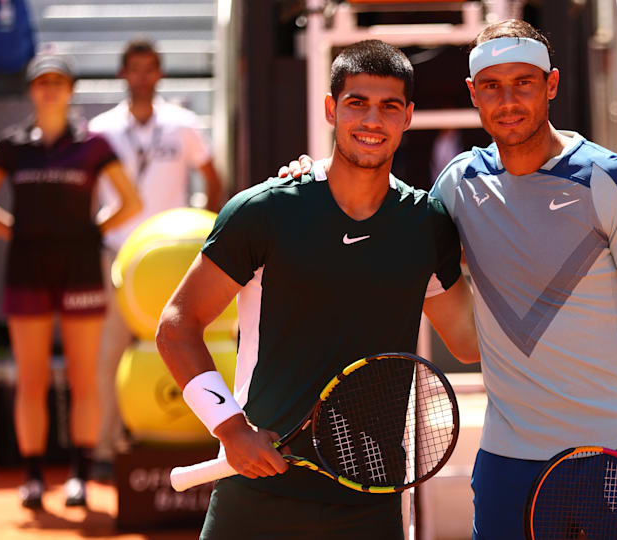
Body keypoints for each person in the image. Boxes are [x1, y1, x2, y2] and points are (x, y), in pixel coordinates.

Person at [282, 19, 617, 540]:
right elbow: (387, 213)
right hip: (509, 464)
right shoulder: (459, 185)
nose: (507, 100)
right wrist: (315, 176)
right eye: (491, 86)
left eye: (523, 83)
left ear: (551, 85)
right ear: (473, 93)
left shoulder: (612, 182)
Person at [155, 40, 479, 539]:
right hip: (257, 496)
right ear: (331, 108)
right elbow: (177, 326)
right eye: (357, 103)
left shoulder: (426, 224)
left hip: (370, 499)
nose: (373, 120)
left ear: (409, 117)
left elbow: (469, 341)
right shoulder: (265, 211)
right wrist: (231, 430)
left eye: (390, 106)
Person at [0, 54, 142, 509]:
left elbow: (130, 201)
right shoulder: (10, 146)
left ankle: (79, 475)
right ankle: (33, 477)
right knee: (32, 378)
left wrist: (94, 231)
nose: (49, 90)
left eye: (58, 82)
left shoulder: (92, 144)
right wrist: (20, 233)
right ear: (31, 90)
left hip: (80, 267)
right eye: (42, 82)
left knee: (84, 378)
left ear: (70, 90)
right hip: (27, 269)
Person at [88, 39, 224, 473]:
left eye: (150, 69)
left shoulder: (181, 123)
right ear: (122, 75)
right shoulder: (101, 128)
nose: (142, 77)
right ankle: (108, 448)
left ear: (160, 74)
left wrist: (202, 228)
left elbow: (211, 176)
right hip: (118, 257)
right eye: (135, 69)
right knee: (110, 353)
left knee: (188, 345)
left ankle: (201, 438)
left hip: (174, 258)